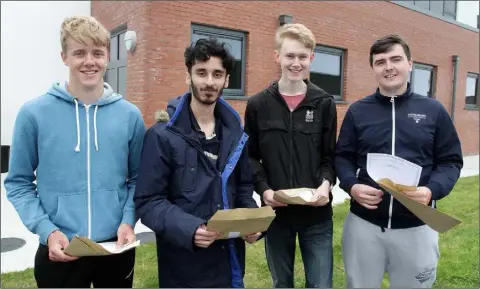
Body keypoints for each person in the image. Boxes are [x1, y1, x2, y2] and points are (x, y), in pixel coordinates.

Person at [4, 16, 146, 288]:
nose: (89, 61)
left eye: (97, 53)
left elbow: (138, 178)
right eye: (79, 53)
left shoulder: (130, 116)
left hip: (115, 247)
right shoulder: (33, 114)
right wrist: (47, 231)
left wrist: (128, 220)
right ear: (64, 57)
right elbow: (18, 183)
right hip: (59, 248)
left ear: (107, 57)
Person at [334, 34, 463, 288]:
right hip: (364, 225)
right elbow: (343, 157)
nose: (388, 67)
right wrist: (351, 185)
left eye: (395, 59)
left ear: (410, 64)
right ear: (373, 68)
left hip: (417, 227)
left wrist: (431, 190)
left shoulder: (433, 111)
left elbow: (450, 161)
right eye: (380, 62)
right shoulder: (358, 111)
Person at [134, 38, 261, 288]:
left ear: (226, 80)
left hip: (229, 264)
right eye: (201, 73)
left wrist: (253, 221)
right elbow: (148, 202)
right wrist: (190, 229)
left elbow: (244, 187)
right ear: (188, 76)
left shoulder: (236, 134)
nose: (209, 82)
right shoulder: (162, 136)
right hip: (182, 266)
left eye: (217, 74)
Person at [244, 23, 337, 288]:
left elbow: (329, 156)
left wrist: (325, 185)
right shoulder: (258, 105)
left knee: (320, 284)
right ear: (277, 56)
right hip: (277, 215)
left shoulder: (324, 103)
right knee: (282, 283)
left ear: (311, 58)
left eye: (302, 56)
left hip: (316, 216)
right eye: (289, 56)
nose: (296, 63)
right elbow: (250, 158)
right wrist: (264, 190)